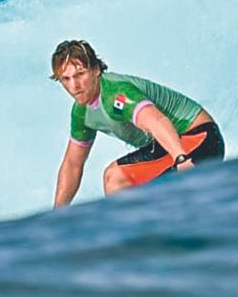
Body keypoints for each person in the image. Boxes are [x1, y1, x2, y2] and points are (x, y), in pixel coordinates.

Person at [50, 39, 224, 206]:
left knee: (115, 178)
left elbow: (156, 121)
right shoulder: (81, 112)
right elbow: (73, 165)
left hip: (198, 139)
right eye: (66, 79)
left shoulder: (115, 93)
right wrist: (57, 215)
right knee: (123, 180)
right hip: (172, 145)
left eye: (80, 74)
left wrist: (181, 158)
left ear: (95, 70)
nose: (74, 85)